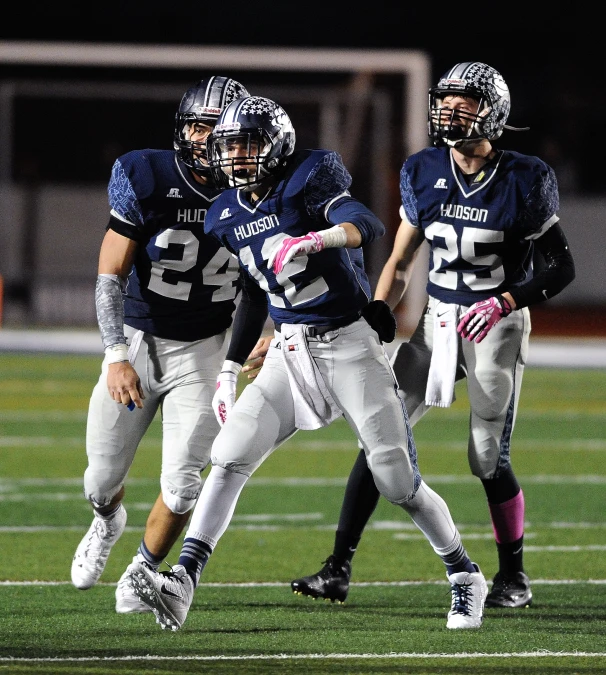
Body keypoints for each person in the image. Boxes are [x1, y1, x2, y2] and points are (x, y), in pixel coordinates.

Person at [126, 95, 488, 632]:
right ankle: (183, 580)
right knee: (228, 456)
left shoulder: (308, 177)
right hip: (289, 350)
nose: (236, 158)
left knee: (395, 479)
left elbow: (367, 223)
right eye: (230, 147)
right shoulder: (224, 211)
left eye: (248, 145)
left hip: (350, 345)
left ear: (277, 144)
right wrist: (228, 368)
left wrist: (313, 239)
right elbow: (252, 290)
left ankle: (464, 575)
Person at [289, 61, 576, 609]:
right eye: (445, 99)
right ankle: (337, 568)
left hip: (497, 324)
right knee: (380, 433)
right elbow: (399, 260)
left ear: (493, 111)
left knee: (487, 456)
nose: (449, 110)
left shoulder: (525, 176)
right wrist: (379, 310)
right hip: (437, 320)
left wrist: (505, 301)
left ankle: (513, 576)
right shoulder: (423, 170)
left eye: (464, 101)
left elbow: (560, 267)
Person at [70, 76, 271, 614]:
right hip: (140, 338)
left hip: (208, 346)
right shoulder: (146, 174)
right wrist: (115, 354)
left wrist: (270, 329)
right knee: (100, 479)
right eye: (200, 126)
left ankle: (141, 571)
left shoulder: (261, 188)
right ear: (184, 130)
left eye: (222, 130)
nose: (209, 140)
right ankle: (108, 520)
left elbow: (276, 272)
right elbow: (110, 274)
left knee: (183, 485)